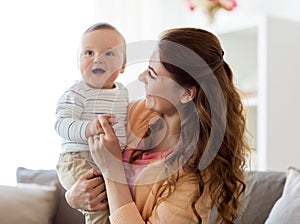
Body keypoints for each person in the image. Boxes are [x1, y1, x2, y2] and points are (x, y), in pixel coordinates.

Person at [65, 27, 250, 224]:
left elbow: (108, 167)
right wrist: (73, 196)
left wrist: (112, 171)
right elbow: (79, 151)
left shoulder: (194, 178)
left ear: (186, 93)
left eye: (152, 74)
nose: (141, 77)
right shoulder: (138, 114)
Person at [55, 22, 128, 224]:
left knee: (117, 204)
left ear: (123, 66)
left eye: (109, 54)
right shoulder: (77, 92)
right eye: (88, 53)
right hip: (78, 158)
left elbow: (125, 127)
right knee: (99, 206)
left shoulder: (122, 93)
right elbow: (61, 124)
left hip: (109, 161)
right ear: (78, 62)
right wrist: (89, 128)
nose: (97, 59)